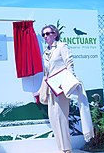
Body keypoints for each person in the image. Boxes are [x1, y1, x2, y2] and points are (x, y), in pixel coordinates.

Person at [36, 24, 93, 153]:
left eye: (48, 33)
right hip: (51, 89)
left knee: (61, 118)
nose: (46, 36)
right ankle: (61, 148)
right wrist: (40, 90)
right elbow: (46, 74)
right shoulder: (45, 53)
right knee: (53, 119)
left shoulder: (62, 46)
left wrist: (71, 81)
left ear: (55, 34)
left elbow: (69, 64)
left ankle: (66, 150)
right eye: (44, 34)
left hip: (61, 88)